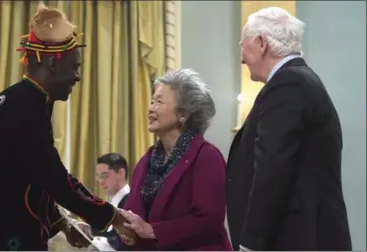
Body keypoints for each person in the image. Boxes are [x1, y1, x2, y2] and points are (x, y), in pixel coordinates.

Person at [0, 3, 135, 251]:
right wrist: (114, 217)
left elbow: (31, 179)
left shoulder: (24, 100)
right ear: (54, 65)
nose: (77, 77)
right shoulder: (25, 107)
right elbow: (54, 178)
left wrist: (64, 225)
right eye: (75, 67)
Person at [226, 7, 352, 251]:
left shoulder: (288, 84)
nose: (242, 58)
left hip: (296, 238)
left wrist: (251, 244)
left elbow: (272, 168)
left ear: (262, 43)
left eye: (243, 45)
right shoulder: (299, 80)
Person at [118, 69, 233, 250]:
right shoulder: (145, 161)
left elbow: (209, 221)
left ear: (183, 115)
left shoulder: (207, 157)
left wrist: (152, 230)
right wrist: (129, 234)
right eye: (151, 101)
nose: (150, 108)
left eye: (159, 102)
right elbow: (134, 216)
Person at [90, 153, 131, 250]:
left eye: (104, 175)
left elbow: (119, 243)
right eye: (98, 177)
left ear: (121, 173)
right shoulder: (109, 204)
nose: (101, 181)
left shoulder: (132, 202)